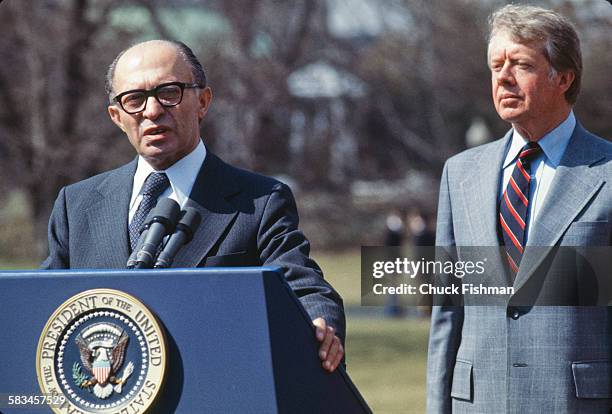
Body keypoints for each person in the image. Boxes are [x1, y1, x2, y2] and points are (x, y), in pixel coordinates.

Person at [41, 39, 345, 373]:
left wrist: (320, 323)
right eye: (135, 99)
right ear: (116, 116)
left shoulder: (259, 201)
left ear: (202, 101)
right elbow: (42, 306)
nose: (153, 111)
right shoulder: (77, 204)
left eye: (168, 92)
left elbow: (302, 287)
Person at [427, 5, 611, 413]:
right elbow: (446, 314)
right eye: (496, 66)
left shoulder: (608, 173)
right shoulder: (460, 174)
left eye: (521, 64)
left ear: (564, 78)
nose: (504, 77)